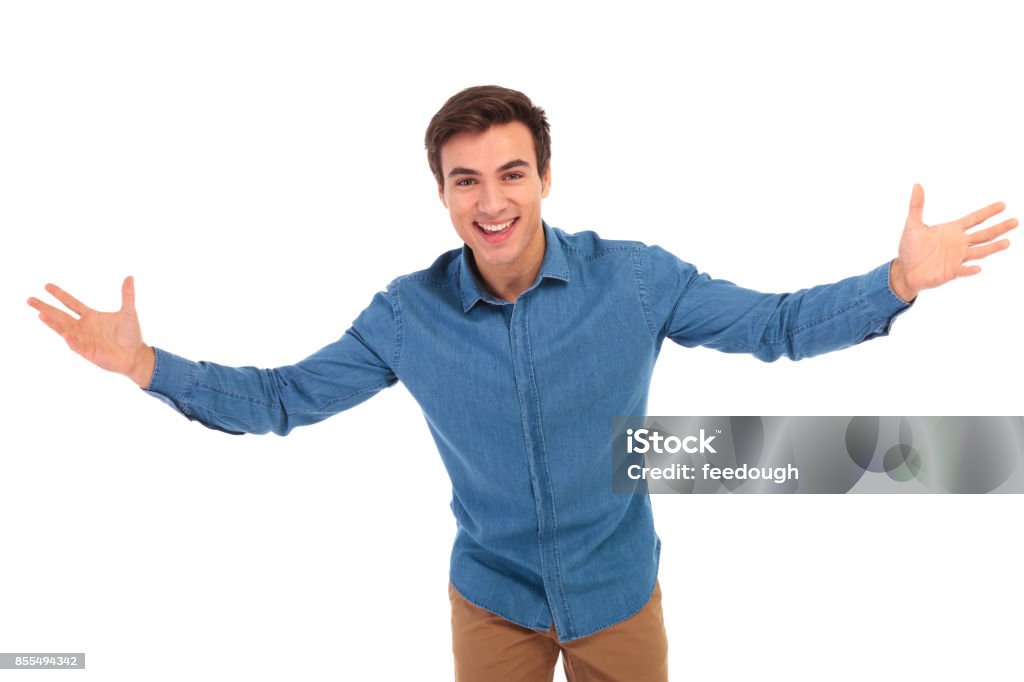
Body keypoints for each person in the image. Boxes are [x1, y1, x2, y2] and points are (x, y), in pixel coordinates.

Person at [27, 85, 1017, 682]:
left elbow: (777, 326)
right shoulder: (407, 315)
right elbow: (284, 398)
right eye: (466, 179)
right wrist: (145, 365)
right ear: (444, 194)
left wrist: (893, 282)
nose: (490, 200)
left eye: (510, 173)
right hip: (491, 598)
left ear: (543, 176)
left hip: (618, 589)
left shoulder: (633, 278)